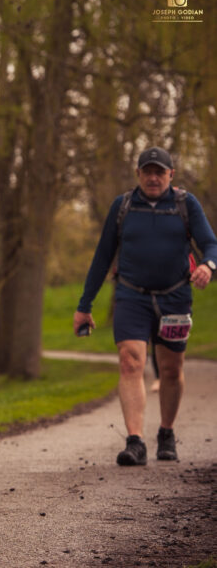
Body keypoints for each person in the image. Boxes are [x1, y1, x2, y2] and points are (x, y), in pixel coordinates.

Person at [73, 146, 217, 466]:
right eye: (147, 172)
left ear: (171, 174)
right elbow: (102, 257)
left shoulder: (186, 204)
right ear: (138, 174)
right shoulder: (123, 206)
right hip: (131, 296)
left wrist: (208, 265)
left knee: (171, 368)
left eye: (159, 172)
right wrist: (85, 305)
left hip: (175, 297)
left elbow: (210, 243)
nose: (153, 178)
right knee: (130, 362)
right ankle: (135, 441)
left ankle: (166, 432)